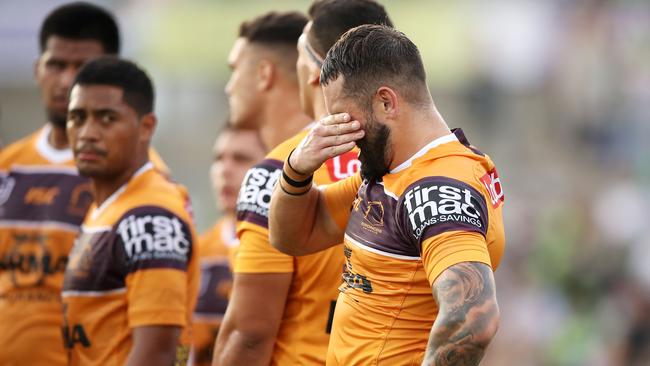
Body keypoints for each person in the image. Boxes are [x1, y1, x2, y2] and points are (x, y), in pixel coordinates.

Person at [269, 25, 505, 365]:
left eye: (344, 117)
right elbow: (293, 236)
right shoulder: (396, 174)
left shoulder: (437, 188)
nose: (345, 136)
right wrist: (295, 171)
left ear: (385, 103)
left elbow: (473, 318)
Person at [213, 2, 392, 365]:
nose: (230, 85)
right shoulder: (410, 163)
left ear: (313, 71)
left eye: (235, 70)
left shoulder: (273, 174)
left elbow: (248, 335)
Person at [0, 4, 167, 365]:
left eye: (82, 68)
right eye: (56, 65)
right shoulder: (7, 167)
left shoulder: (141, 179)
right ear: (37, 69)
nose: (66, 81)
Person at [61, 57, 198, 365]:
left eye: (106, 118)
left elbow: (157, 353)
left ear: (146, 126)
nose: (87, 133)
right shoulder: (109, 207)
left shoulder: (150, 216)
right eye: (77, 117)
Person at [192, 125, 265, 366]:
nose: (225, 170)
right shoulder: (197, 251)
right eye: (218, 159)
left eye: (241, 159)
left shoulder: (286, 249)